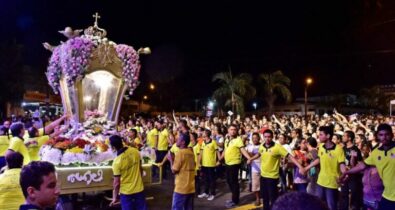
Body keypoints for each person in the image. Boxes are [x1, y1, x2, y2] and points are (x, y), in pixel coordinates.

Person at [341, 124, 395, 210]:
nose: (384, 137)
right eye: (381, 135)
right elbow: (362, 165)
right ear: (377, 136)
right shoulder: (376, 152)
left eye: (387, 134)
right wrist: (346, 172)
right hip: (387, 196)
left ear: (392, 135)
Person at [249, 129, 305, 210]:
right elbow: (259, 153)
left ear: (272, 137)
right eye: (265, 137)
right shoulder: (262, 145)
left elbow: (290, 156)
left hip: (272, 177)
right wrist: (251, 158)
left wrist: (300, 167)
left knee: (273, 198)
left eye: (269, 137)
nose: (267, 139)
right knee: (265, 197)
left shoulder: (278, 147)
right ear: (263, 137)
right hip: (263, 176)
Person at [303, 126, 347, 210]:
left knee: (331, 206)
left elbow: (342, 164)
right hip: (320, 181)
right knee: (318, 204)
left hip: (332, 183)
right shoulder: (321, 147)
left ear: (328, 136)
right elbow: (319, 160)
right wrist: (306, 168)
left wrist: (345, 174)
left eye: (321, 134)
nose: (319, 136)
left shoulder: (339, 149)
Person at [217, 124, 252, 208]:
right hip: (228, 163)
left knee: (234, 182)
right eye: (231, 129)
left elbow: (242, 149)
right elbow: (225, 150)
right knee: (229, 181)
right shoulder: (227, 139)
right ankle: (234, 197)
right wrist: (220, 160)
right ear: (228, 130)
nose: (233, 131)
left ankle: (235, 200)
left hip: (235, 164)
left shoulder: (238, 139)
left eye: (234, 130)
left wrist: (249, 158)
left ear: (236, 131)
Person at [109, 135, 147, 210]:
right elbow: (140, 169)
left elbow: (116, 183)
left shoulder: (117, 162)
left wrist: (114, 197)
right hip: (139, 189)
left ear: (113, 147)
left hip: (126, 193)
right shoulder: (135, 151)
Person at [171, 132, 196, 210]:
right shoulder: (191, 153)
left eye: (178, 139)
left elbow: (174, 170)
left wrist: (171, 160)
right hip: (191, 187)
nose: (176, 141)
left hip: (181, 188)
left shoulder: (180, 153)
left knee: (176, 208)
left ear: (183, 142)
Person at [339, 130, 363, 210]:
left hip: (353, 177)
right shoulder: (343, 149)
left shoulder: (355, 149)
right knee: (344, 195)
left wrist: (352, 166)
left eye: (344, 136)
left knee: (354, 195)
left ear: (349, 138)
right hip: (344, 176)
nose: (343, 137)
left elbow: (359, 164)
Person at [197, 129, 219, 201]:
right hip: (204, 164)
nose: (202, 133)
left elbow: (217, 152)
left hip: (211, 164)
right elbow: (201, 153)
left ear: (207, 134)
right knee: (205, 179)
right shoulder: (203, 142)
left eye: (204, 133)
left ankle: (212, 194)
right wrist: (199, 162)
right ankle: (206, 192)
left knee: (212, 180)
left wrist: (219, 161)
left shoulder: (213, 142)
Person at [246, 132, 262, 206]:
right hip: (254, 168)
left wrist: (252, 155)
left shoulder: (262, 146)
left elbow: (258, 154)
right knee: (255, 185)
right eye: (253, 138)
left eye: (256, 138)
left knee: (264, 184)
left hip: (264, 168)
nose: (255, 139)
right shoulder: (249, 146)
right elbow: (248, 155)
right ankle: (257, 199)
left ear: (259, 138)